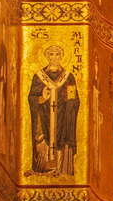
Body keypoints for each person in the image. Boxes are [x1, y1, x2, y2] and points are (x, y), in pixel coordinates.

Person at [27, 46, 79, 175]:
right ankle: (42, 168)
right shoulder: (39, 77)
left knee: (61, 137)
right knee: (41, 137)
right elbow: (31, 98)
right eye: (51, 55)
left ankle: (61, 169)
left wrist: (69, 102)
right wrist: (41, 98)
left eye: (57, 55)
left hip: (62, 117)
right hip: (43, 116)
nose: (54, 58)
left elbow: (74, 99)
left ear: (61, 57)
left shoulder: (68, 77)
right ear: (47, 56)